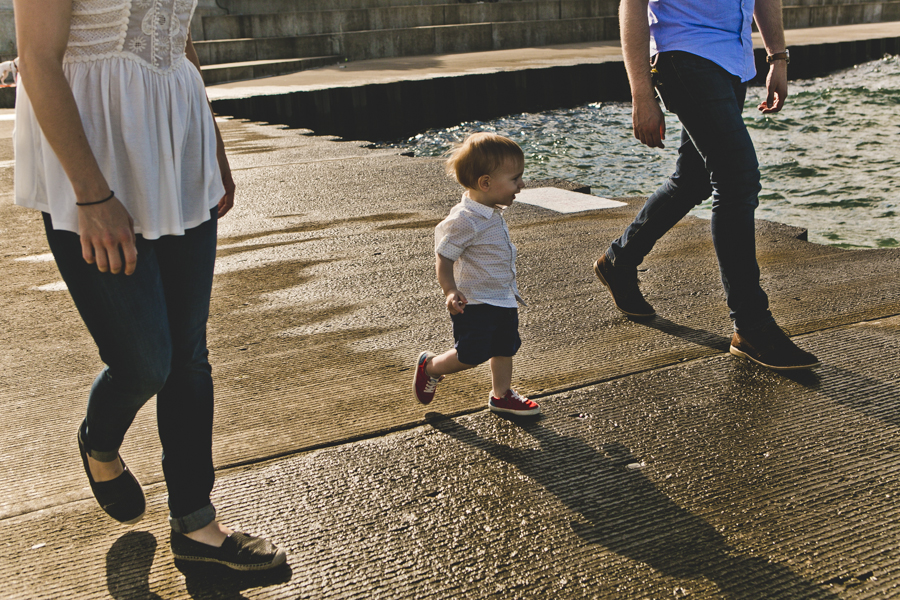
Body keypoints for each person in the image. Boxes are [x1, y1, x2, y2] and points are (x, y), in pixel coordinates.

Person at [13, 0, 285, 570]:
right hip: (95, 153)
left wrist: (211, 142)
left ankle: (195, 522)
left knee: (188, 353)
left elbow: (175, 38)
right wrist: (91, 195)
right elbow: (37, 59)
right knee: (144, 362)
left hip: (176, 142)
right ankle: (99, 439)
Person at [594, 0, 820, 370]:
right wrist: (641, 93)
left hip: (733, 60)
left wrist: (778, 57)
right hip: (683, 55)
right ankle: (751, 324)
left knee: (694, 178)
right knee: (737, 179)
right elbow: (632, 4)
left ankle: (619, 261)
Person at [413, 132, 541, 416]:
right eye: (515, 179)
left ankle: (501, 395)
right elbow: (444, 256)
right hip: (476, 302)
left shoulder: (490, 210)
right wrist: (450, 290)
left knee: (504, 348)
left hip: (504, 298)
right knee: (472, 355)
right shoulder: (464, 220)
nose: (521, 184)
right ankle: (430, 366)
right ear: (486, 183)